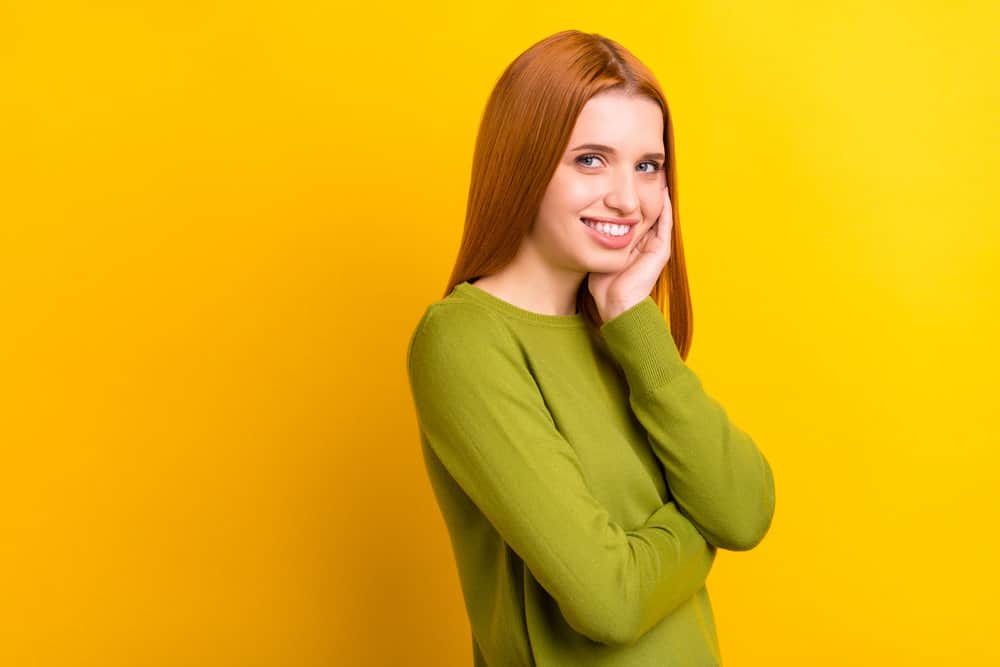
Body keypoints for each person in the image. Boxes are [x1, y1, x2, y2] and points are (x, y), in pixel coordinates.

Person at [406, 29, 775, 666]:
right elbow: (609, 598)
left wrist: (632, 317)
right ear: (524, 159)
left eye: (647, 165)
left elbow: (746, 509)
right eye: (591, 159)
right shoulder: (463, 341)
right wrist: (700, 522)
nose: (627, 199)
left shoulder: (621, 332)